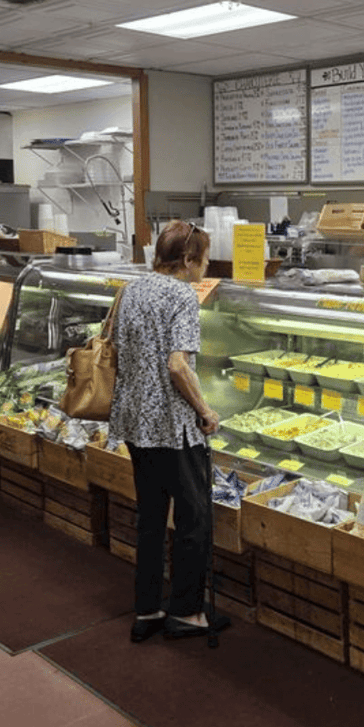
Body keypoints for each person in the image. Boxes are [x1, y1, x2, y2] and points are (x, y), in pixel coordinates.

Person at [109, 220, 228, 643]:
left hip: (136, 422)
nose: (206, 266)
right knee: (195, 518)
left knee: (152, 519)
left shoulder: (133, 288)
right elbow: (178, 365)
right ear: (188, 259)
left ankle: (147, 610)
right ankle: (187, 613)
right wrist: (206, 409)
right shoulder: (182, 294)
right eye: (204, 258)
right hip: (174, 428)